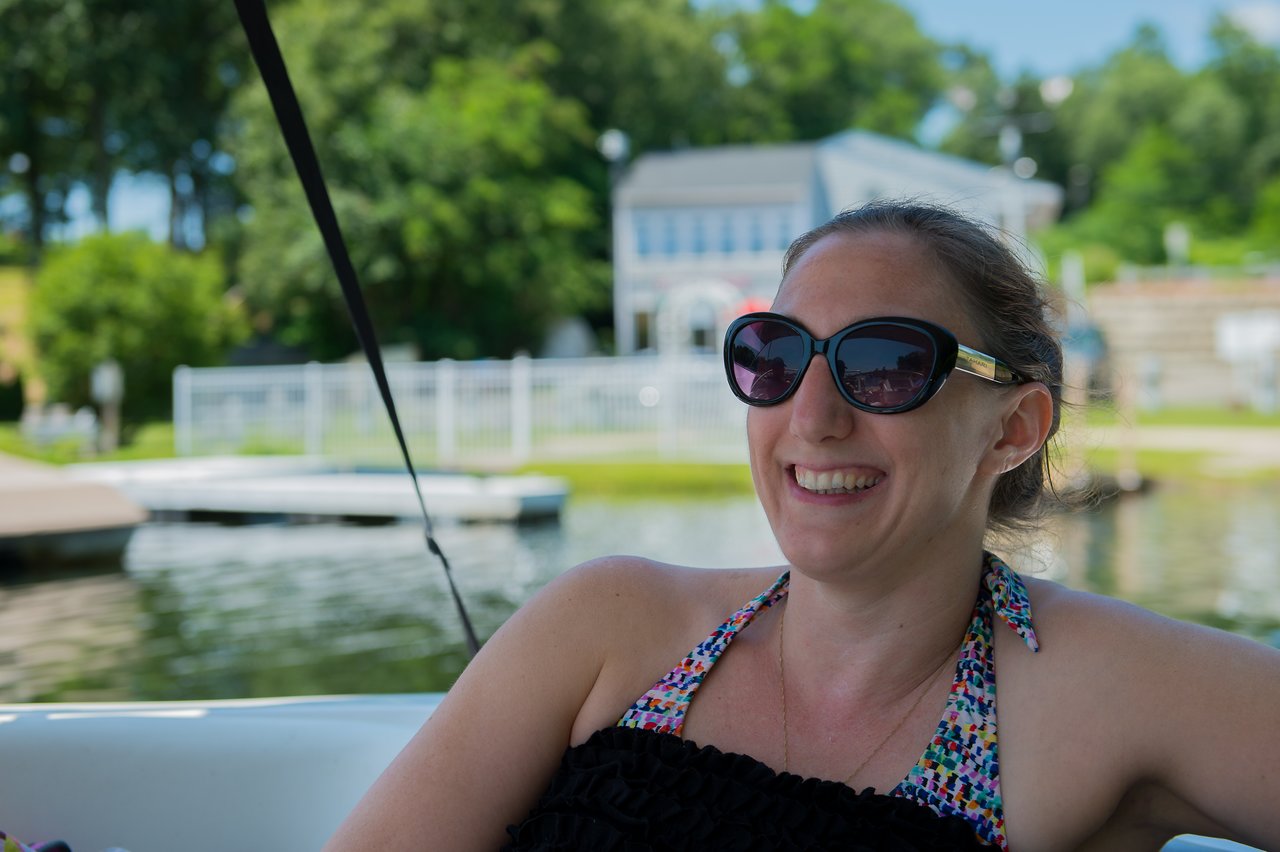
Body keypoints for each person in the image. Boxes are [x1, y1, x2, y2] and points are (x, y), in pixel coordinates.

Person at [324, 201, 1280, 850]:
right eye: (774, 354)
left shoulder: (1096, 691)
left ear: (1011, 429)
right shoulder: (608, 628)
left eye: (887, 364)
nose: (812, 417)